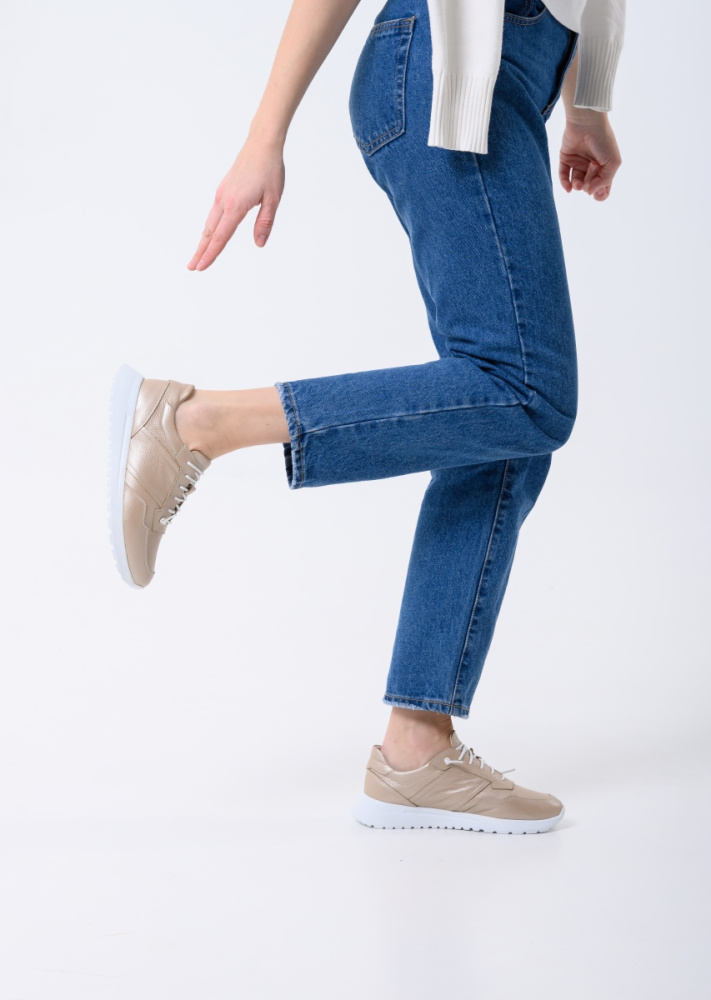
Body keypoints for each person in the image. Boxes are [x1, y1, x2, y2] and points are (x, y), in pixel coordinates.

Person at [109, 0, 623, 834]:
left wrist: (586, 102)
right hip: (446, 63)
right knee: (524, 389)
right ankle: (199, 423)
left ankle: (415, 748)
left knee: (498, 419)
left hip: (508, 76)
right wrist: (264, 135)